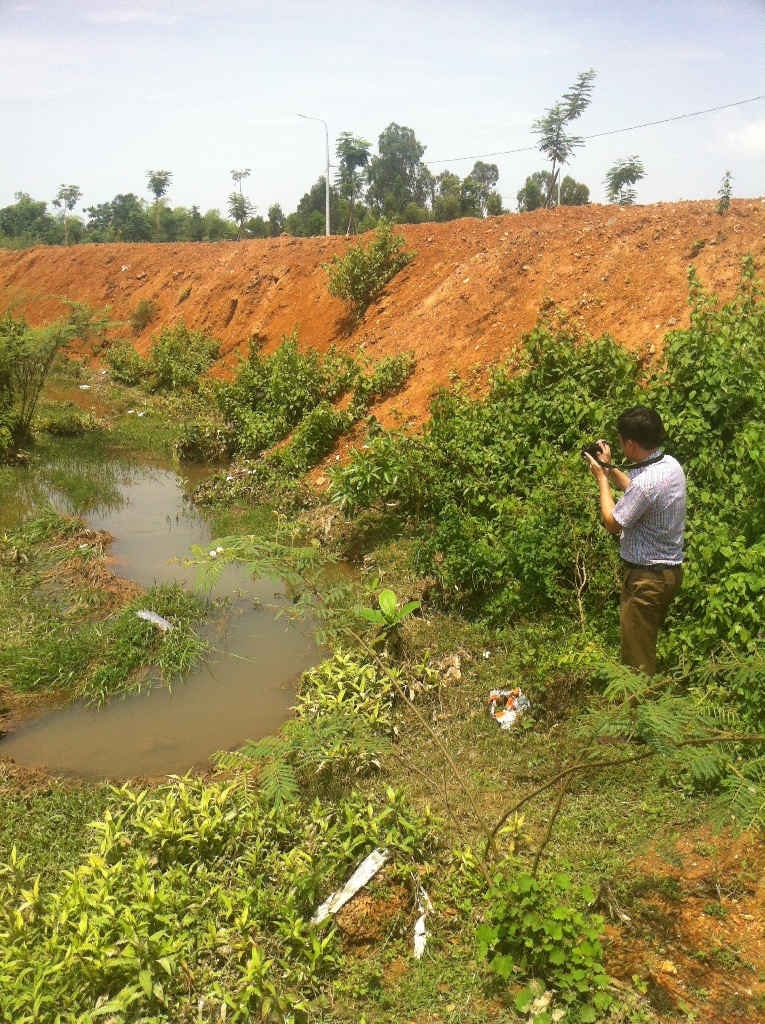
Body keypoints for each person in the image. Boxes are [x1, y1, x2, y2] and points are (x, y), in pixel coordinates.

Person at [584, 406, 686, 675]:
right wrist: (609, 467)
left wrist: (601, 481)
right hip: (668, 574)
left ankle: (640, 713)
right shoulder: (670, 466)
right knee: (644, 645)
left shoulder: (647, 483)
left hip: (646, 580)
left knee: (636, 661)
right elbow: (639, 494)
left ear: (630, 443)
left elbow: (612, 522)